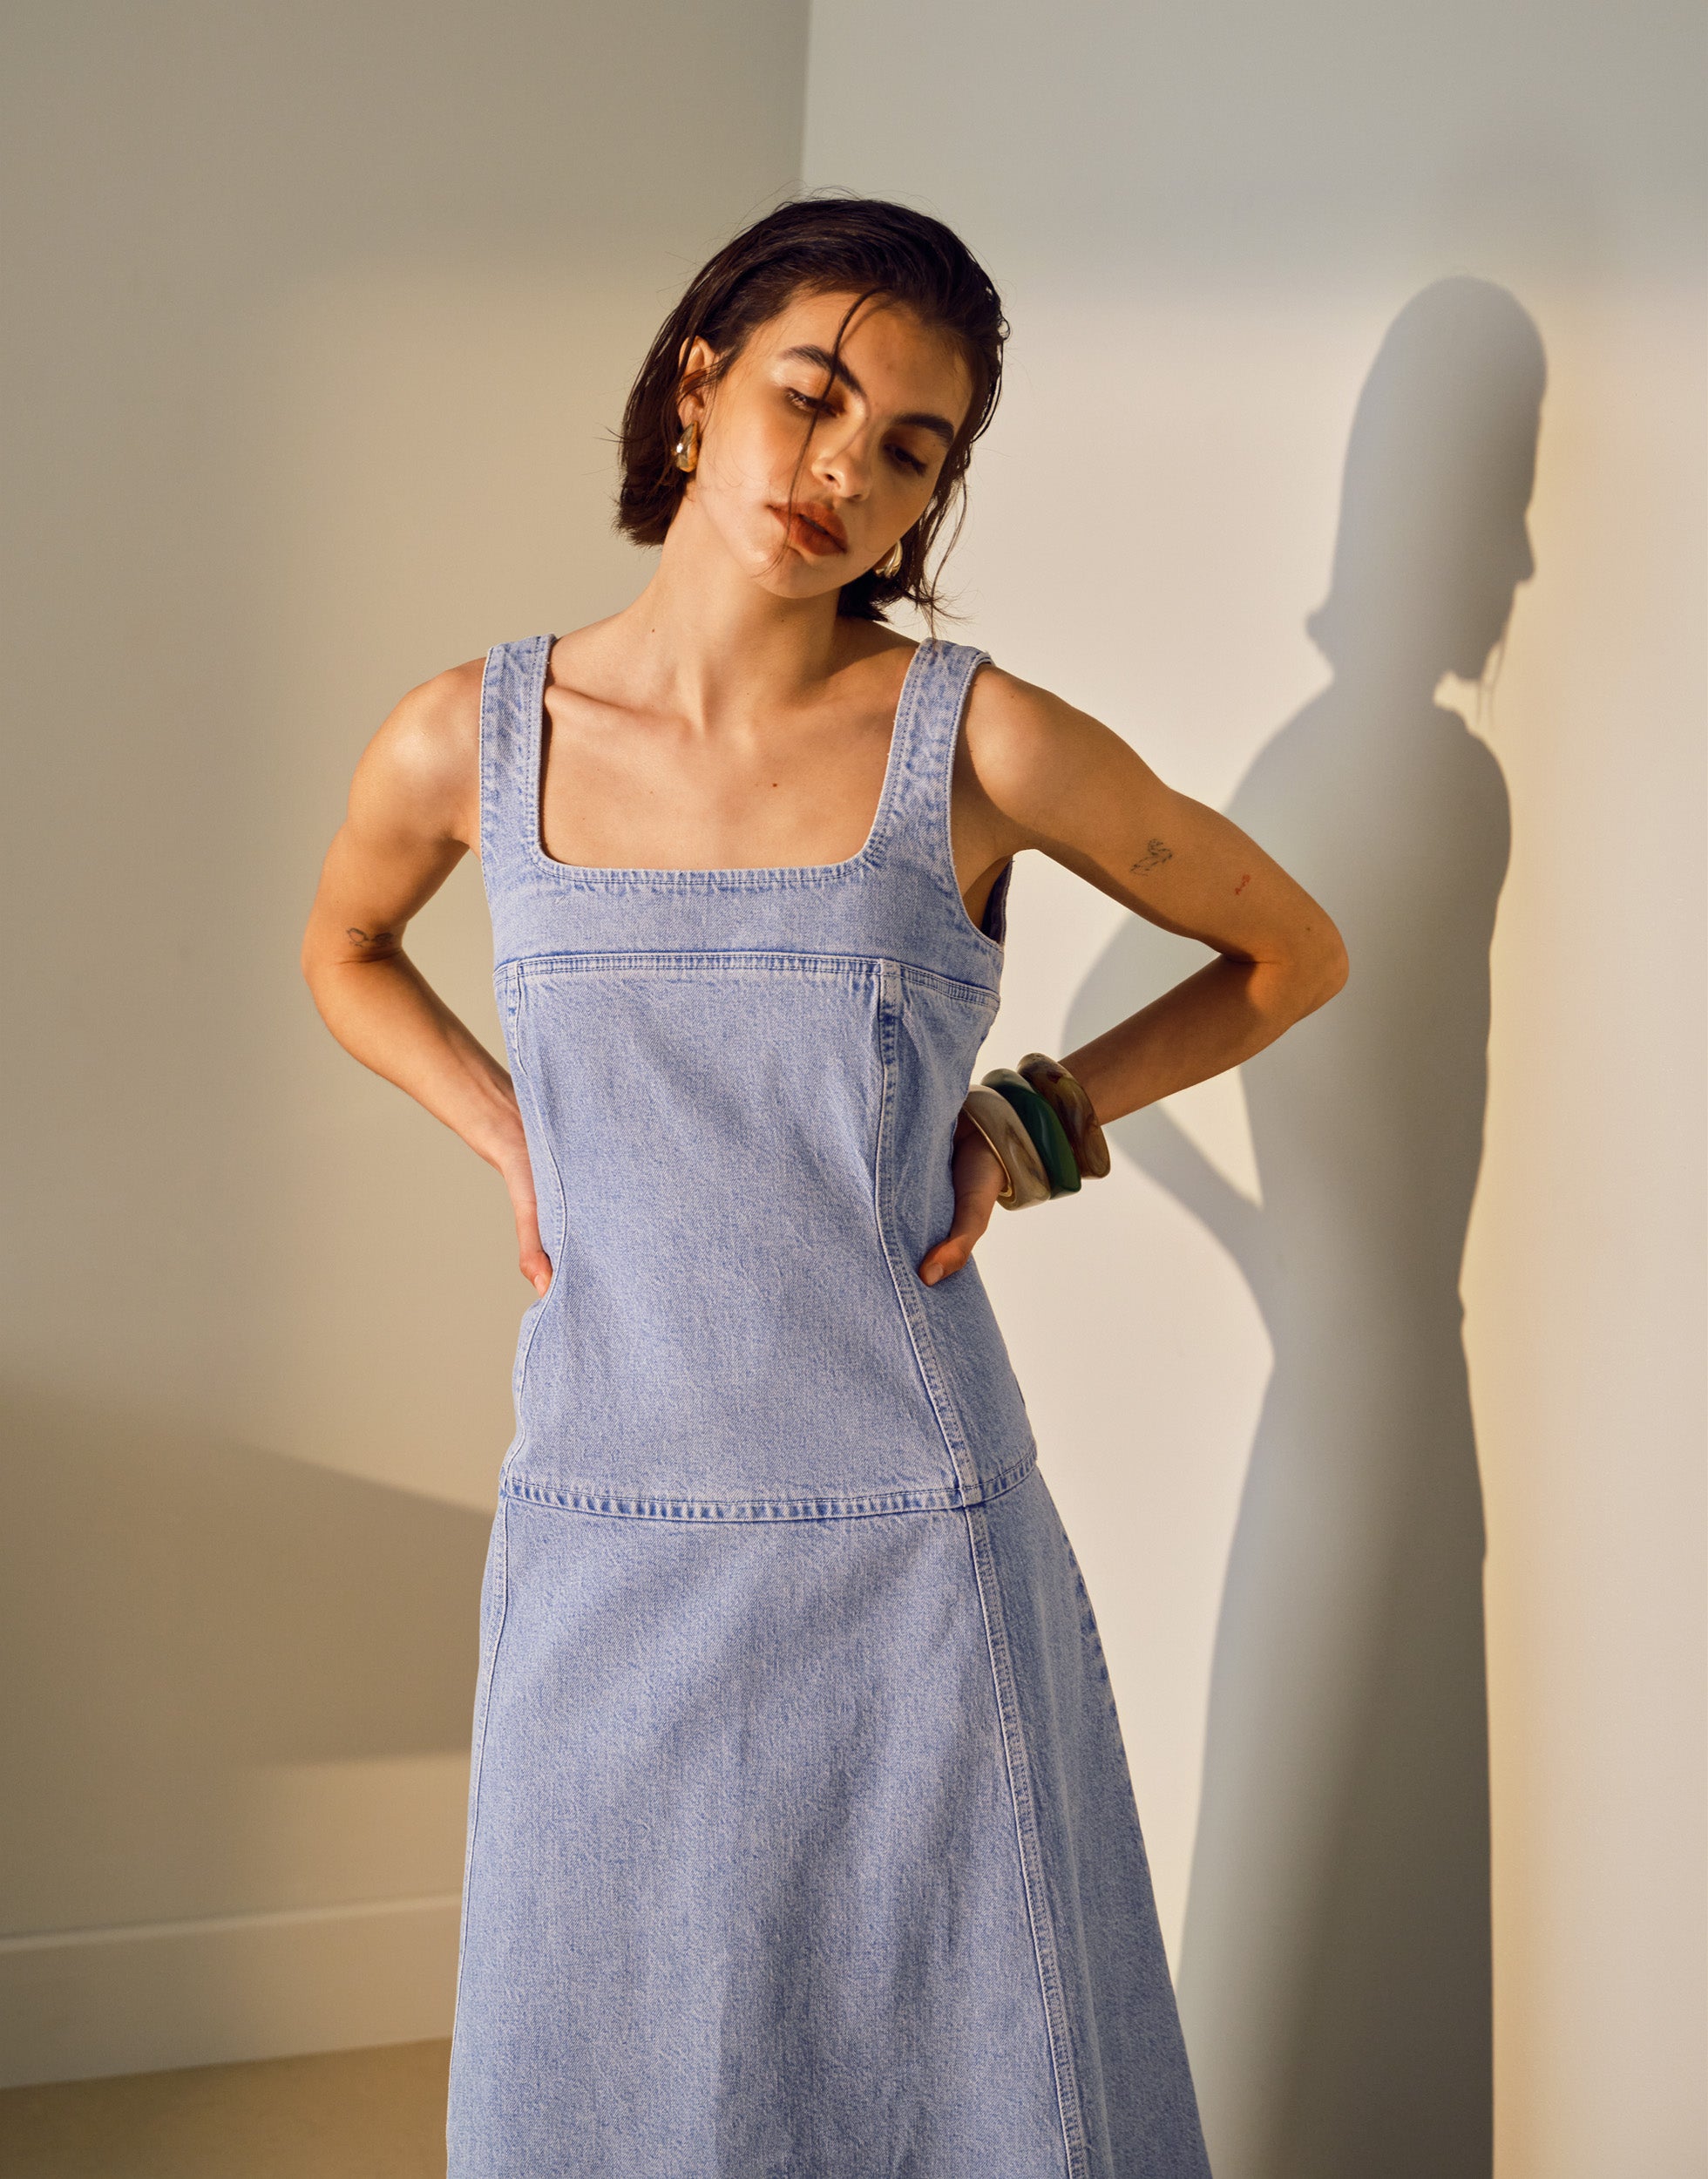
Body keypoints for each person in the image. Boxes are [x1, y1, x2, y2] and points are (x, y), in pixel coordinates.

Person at [300, 193, 1347, 2179]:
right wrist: (515, 1128)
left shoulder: (976, 741)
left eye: (910, 449)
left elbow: (1288, 952)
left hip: (905, 1527)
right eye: (814, 396)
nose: (845, 469)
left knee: (964, 2083)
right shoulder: (473, 735)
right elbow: (343, 951)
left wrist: (1033, 1124)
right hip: (606, 1507)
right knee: (599, 2073)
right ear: (698, 387)